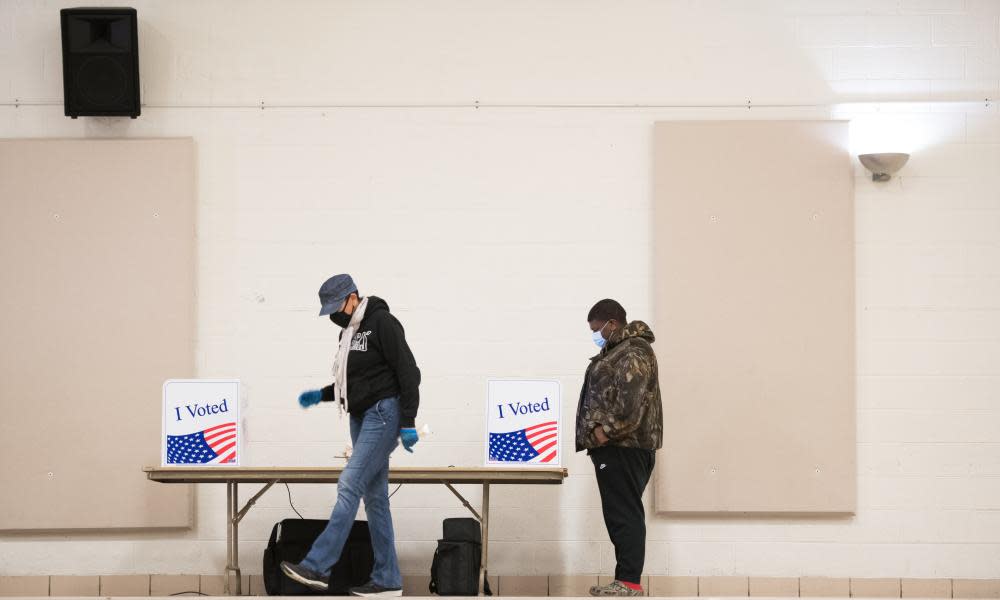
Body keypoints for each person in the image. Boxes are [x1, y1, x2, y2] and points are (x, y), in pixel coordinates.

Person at [281, 273, 421, 598]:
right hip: (360, 418)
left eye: (336, 306)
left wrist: (409, 420)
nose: (334, 315)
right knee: (374, 499)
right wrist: (321, 395)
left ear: (352, 298)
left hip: (384, 414)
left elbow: (409, 372)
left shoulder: (382, 322)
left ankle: (317, 566)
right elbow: (355, 382)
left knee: (348, 483)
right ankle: (388, 579)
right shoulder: (349, 331)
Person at [576, 299, 663, 597]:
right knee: (620, 513)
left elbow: (631, 405)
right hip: (617, 447)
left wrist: (603, 433)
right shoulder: (617, 351)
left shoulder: (634, 351)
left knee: (624, 514)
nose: (595, 335)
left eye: (597, 329)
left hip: (624, 446)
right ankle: (625, 580)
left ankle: (629, 582)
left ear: (613, 323)